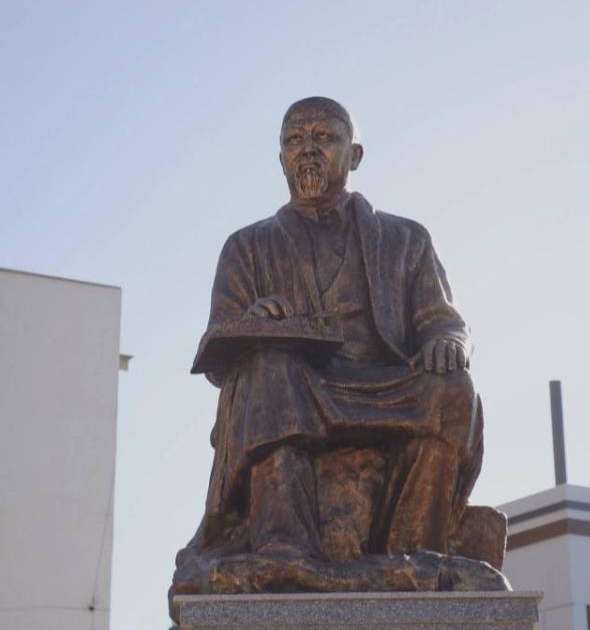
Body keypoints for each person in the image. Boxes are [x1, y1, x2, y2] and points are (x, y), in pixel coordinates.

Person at [178, 96, 485, 573]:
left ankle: (413, 552)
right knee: (269, 368)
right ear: (280, 156)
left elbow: (442, 319)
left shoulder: (406, 239)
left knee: (452, 388)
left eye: (324, 138)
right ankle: (284, 548)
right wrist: (254, 322)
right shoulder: (247, 246)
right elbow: (219, 346)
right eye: (295, 140)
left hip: (383, 384)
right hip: (298, 386)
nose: (308, 150)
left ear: (355, 155)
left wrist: (448, 341)